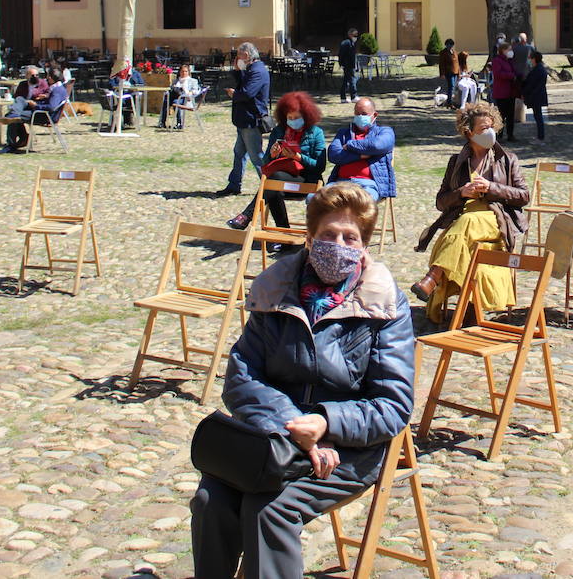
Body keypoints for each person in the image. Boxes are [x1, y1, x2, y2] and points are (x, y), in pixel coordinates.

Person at [191, 183, 414, 579]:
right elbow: (242, 375)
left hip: (348, 450)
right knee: (212, 500)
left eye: (350, 237)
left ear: (364, 246)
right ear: (309, 239)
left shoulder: (384, 305)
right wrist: (293, 427)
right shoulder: (275, 290)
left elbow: (393, 405)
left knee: (268, 510)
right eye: (328, 235)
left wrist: (326, 422)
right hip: (273, 437)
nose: (338, 244)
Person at [411, 103, 529, 322]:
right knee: (464, 230)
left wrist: (492, 188)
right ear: (468, 132)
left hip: (495, 217)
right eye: (483, 129)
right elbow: (441, 201)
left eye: (491, 127)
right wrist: (462, 193)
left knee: (466, 223)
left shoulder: (507, 159)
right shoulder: (456, 162)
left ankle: (432, 278)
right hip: (464, 219)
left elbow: (523, 195)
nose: (489, 133)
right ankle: (470, 310)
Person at [228, 92, 326, 237]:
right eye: (289, 118)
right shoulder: (279, 131)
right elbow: (265, 163)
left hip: (307, 179)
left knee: (272, 183)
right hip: (282, 179)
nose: (293, 121)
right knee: (273, 186)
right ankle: (283, 234)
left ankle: (247, 216)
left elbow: (319, 166)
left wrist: (298, 157)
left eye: (297, 118)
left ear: (306, 116)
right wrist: (273, 155)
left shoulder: (315, 133)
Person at [216, 43, 272, 198]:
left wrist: (234, 94)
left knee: (256, 155)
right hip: (243, 120)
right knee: (239, 153)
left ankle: (270, 186)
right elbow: (243, 84)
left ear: (247, 55)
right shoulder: (250, 69)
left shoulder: (258, 71)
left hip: (251, 120)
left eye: (239, 56)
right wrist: (237, 70)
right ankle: (234, 184)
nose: (238, 58)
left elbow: (247, 93)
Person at [327, 98, 396, 203]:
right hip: (340, 183)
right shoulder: (343, 133)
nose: (360, 117)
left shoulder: (385, 132)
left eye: (364, 114)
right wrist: (360, 156)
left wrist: (349, 145)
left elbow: (376, 145)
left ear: (375, 115)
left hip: (368, 184)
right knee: (314, 200)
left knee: (360, 204)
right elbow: (333, 154)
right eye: (357, 113)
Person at [2, 68, 67, 153]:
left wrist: (36, 106)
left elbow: (51, 107)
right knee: (18, 104)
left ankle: (11, 145)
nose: (46, 78)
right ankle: (18, 132)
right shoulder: (58, 88)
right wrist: (45, 97)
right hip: (41, 113)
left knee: (14, 118)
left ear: (51, 78)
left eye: (47, 76)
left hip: (44, 116)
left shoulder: (57, 90)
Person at [489, 42, 519, 141]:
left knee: (510, 115)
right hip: (501, 92)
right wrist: (511, 76)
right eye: (509, 49)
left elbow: (513, 71)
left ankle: (510, 135)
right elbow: (498, 74)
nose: (511, 52)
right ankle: (499, 135)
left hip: (511, 92)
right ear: (503, 50)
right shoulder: (497, 60)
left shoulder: (509, 60)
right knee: (501, 115)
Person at [159, 64, 202, 129]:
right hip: (174, 95)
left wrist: (189, 92)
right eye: (182, 71)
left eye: (186, 71)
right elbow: (171, 88)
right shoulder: (176, 80)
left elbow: (196, 90)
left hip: (184, 97)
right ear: (179, 72)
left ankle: (179, 123)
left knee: (176, 102)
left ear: (188, 72)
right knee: (166, 101)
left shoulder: (193, 81)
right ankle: (162, 122)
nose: (184, 73)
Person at [521, 50, 549, 143]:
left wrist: (524, 93)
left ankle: (540, 138)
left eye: (531, 58)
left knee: (538, 117)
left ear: (534, 59)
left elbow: (531, 85)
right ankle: (540, 136)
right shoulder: (539, 68)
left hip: (536, 96)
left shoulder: (538, 70)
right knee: (538, 117)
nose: (529, 60)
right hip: (537, 96)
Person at [337, 27, 360, 103]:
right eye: (354, 35)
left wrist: (356, 65)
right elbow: (341, 54)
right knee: (352, 80)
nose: (356, 37)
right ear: (350, 34)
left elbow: (353, 56)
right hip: (348, 65)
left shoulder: (352, 43)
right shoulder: (346, 43)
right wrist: (341, 63)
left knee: (346, 81)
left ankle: (343, 98)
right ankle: (353, 96)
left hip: (350, 65)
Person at [437, 38, 459, 106]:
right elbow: (441, 64)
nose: (450, 46)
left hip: (455, 72)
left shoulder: (454, 52)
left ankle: (452, 100)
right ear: (446, 45)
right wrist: (442, 74)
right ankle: (449, 102)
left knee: (454, 87)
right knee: (451, 86)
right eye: (448, 45)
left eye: (451, 45)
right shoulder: (443, 53)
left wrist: (459, 73)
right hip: (448, 72)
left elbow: (457, 63)